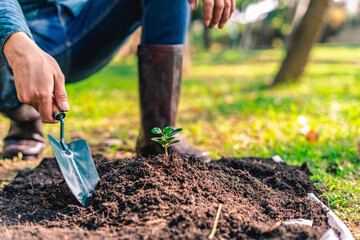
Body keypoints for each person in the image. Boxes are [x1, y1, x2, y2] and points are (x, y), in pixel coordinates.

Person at [0, 0, 235, 162]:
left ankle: (158, 137)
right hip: (16, 35)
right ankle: (22, 112)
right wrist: (16, 41)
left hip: (80, 26)